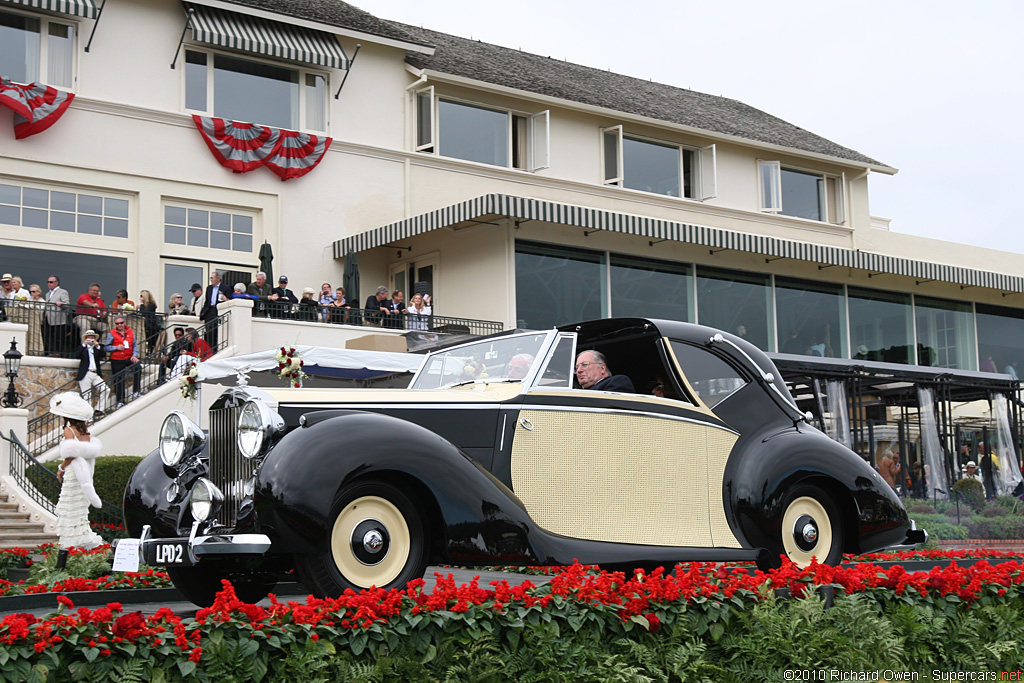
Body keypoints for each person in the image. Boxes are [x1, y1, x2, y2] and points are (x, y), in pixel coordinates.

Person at [49, 392, 105, 550]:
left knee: (70, 503)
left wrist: (61, 467)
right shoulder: (85, 430)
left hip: (75, 471)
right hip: (85, 468)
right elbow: (82, 451)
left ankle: (71, 543)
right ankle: (80, 537)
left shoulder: (69, 430)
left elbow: (71, 453)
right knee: (78, 504)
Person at [104, 315, 141, 406]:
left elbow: (135, 345)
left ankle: (136, 391)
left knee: (138, 368)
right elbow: (106, 347)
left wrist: (134, 355)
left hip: (129, 357)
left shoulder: (130, 331)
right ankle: (120, 401)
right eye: (117, 323)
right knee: (119, 379)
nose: (120, 325)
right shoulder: (111, 333)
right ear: (115, 324)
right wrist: (116, 347)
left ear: (124, 323)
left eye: (121, 323)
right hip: (117, 359)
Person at [75, 330, 110, 416]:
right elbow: (77, 355)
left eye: (92, 338)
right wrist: (84, 345)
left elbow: (103, 354)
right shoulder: (82, 348)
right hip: (86, 373)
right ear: (86, 339)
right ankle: (88, 417)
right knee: (86, 396)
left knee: (106, 389)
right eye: (89, 338)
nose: (91, 339)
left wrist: (97, 346)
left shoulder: (97, 348)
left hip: (95, 373)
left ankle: (99, 409)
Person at [42, 275, 71, 358]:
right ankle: (51, 351)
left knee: (57, 336)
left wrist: (61, 304)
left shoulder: (63, 292)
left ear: (56, 283)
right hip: (48, 317)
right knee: (48, 335)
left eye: (51, 282)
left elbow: (67, 304)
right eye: (48, 282)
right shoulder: (47, 294)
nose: (49, 284)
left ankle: (57, 352)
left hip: (58, 318)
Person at [200, 272, 226, 347]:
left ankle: (214, 349)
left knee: (216, 331)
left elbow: (229, 300)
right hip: (209, 311)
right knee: (208, 332)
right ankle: (209, 349)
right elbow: (207, 302)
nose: (210, 280)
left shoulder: (225, 288)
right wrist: (202, 313)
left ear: (218, 279)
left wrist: (225, 299)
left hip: (218, 310)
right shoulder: (209, 288)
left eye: (212, 278)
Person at [138, 289, 160, 354]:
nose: (140, 298)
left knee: (151, 342)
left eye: (141, 296)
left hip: (151, 326)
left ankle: (150, 353)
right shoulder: (142, 306)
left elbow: (145, 313)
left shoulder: (151, 305)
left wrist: (140, 308)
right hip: (145, 325)